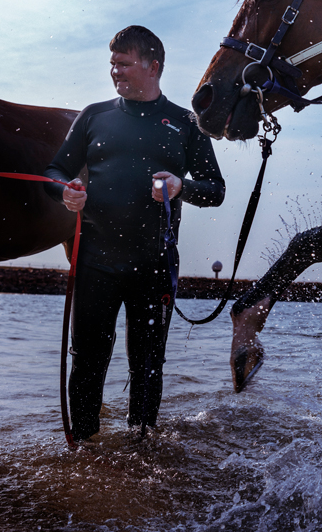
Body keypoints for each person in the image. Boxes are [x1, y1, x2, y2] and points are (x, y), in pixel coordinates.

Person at [45, 25, 225, 441]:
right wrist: (64, 192)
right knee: (87, 361)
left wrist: (183, 187)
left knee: (147, 366)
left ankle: (142, 449)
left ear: (153, 66)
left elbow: (215, 190)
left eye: (123, 64)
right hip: (94, 261)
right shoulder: (94, 116)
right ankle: (84, 454)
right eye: (112, 64)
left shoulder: (186, 123)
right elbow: (54, 172)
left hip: (155, 265)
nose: (115, 72)